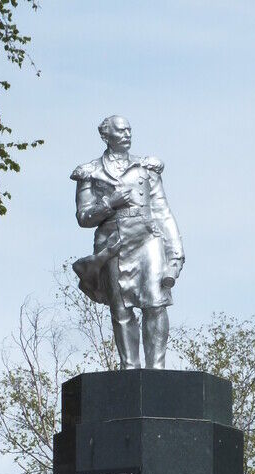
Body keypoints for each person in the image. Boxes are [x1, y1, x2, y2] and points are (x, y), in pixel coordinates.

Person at [71, 115, 184, 369]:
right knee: (122, 310)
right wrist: (109, 203)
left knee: (155, 303)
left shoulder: (146, 168)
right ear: (105, 135)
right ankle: (129, 369)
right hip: (114, 242)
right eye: (121, 131)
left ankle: (157, 370)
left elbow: (162, 210)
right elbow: (83, 217)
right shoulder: (89, 172)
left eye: (129, 130)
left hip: (147, 238)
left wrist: (175, 251)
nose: (127, 135)